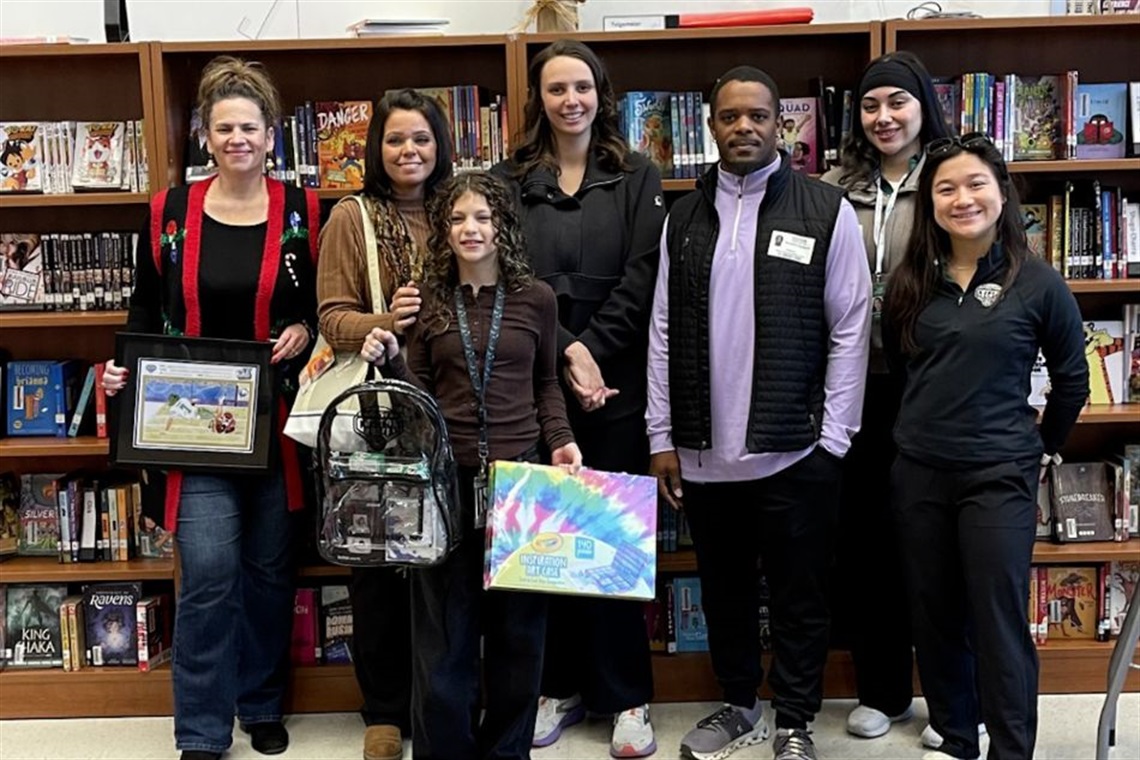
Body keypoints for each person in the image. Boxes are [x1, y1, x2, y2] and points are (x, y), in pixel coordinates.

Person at [646, 66, 871, 760]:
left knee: (801, 595)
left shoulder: (823, 209)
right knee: (726, 593)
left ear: (783, 125)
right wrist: (661, 437)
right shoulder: (682, 215)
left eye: (759, 116)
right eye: (729, 116)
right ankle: (739, 703)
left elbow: (851, 324)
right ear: (711, 126)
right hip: (705, 453)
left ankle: (796, 718)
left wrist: (834, 437)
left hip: (796, 450)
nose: (744, 127)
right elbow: (660, 329)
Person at [102, 56, 319, 760]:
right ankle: (200, 728)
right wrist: (117, 373)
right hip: (190, 426)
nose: (237, 139)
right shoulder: (166, 215)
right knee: (209, 571)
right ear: (204, 135)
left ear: (271, 134)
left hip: (279, 425)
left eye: (249, 127)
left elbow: (327, 306)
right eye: (224, 128)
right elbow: (142, 310)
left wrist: (308, 328)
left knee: (266, 573)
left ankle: (260, 705)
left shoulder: (306, 213)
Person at [361, 171, 582, 760]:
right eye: (458, 219)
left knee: (519, 633)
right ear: (443, 230)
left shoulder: (536, 298)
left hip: (522, 479)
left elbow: (545, 384)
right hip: (445, 484)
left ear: (503, 225)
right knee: (443, 634)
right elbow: (420, 397)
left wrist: (560, 440)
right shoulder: (427, 299)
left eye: (483, 217)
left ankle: (507, 751)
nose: (470, 229)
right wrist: (388, 361)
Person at [882, 133, 1087, 760]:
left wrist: (1041, 449)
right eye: (945, 188)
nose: (961, 198)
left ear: (1001, 193)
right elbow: (900, 371)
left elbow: (1072, 379)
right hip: (919, 474)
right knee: (935, 618)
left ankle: (1011, 750)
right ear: (930, 203)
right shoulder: (910, 284)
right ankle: (956, 738)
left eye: (975, 184)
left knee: (997, 624)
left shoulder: (1038, 283)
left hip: (998, 474)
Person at [491, 39, 663, 758]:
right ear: (540, 99)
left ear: (601, 94)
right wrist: (567, 347)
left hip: (613, 389)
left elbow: (645, 271)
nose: (571, 101)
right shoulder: (506, 180)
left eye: (583, 88)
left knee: (611, 544)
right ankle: (554, 686)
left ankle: (627, 698)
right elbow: (501, 269)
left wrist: (594, 348)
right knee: (544, 549)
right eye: (557, 89)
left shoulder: (636, 175)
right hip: (531, 385)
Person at [315, 87, 454, 760]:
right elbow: (331, 318)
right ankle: (385, 711)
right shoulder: (353, 216)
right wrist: (385, 323)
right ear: (377, 148)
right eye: (397, 140)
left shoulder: (461, 208)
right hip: (376, 415)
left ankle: (443, 698)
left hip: (453, 407)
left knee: (445, 558)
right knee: (376, 562)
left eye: (422, 139)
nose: (410, 151)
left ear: (441, 147)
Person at [819, 50, 950, 743]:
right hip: (853, 387)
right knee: (866, 544)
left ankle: (951, 702)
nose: (884, 117)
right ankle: (883, 690)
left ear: (923, 106)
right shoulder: (834, 186)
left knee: (932, 544)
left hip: (931, 387)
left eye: (897, 102)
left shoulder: (955, 179)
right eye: (871, 106)